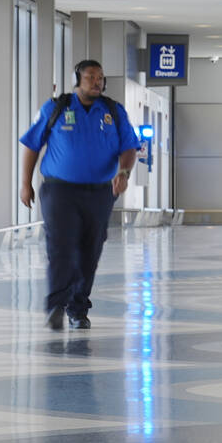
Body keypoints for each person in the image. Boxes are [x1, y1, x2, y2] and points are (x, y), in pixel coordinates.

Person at [19, 60, 139, 331]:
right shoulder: (57, 107)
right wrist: (25, 183)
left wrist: (123, 173)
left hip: (99, 192)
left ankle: (78, 308)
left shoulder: (113, 111)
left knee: (89, 250)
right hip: (59, 190)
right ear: (77, 80)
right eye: (90, 77)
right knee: (61, 247)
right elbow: (31, 145)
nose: (96, 82)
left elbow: (129, 147)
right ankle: (56, 305)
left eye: (100, 77)